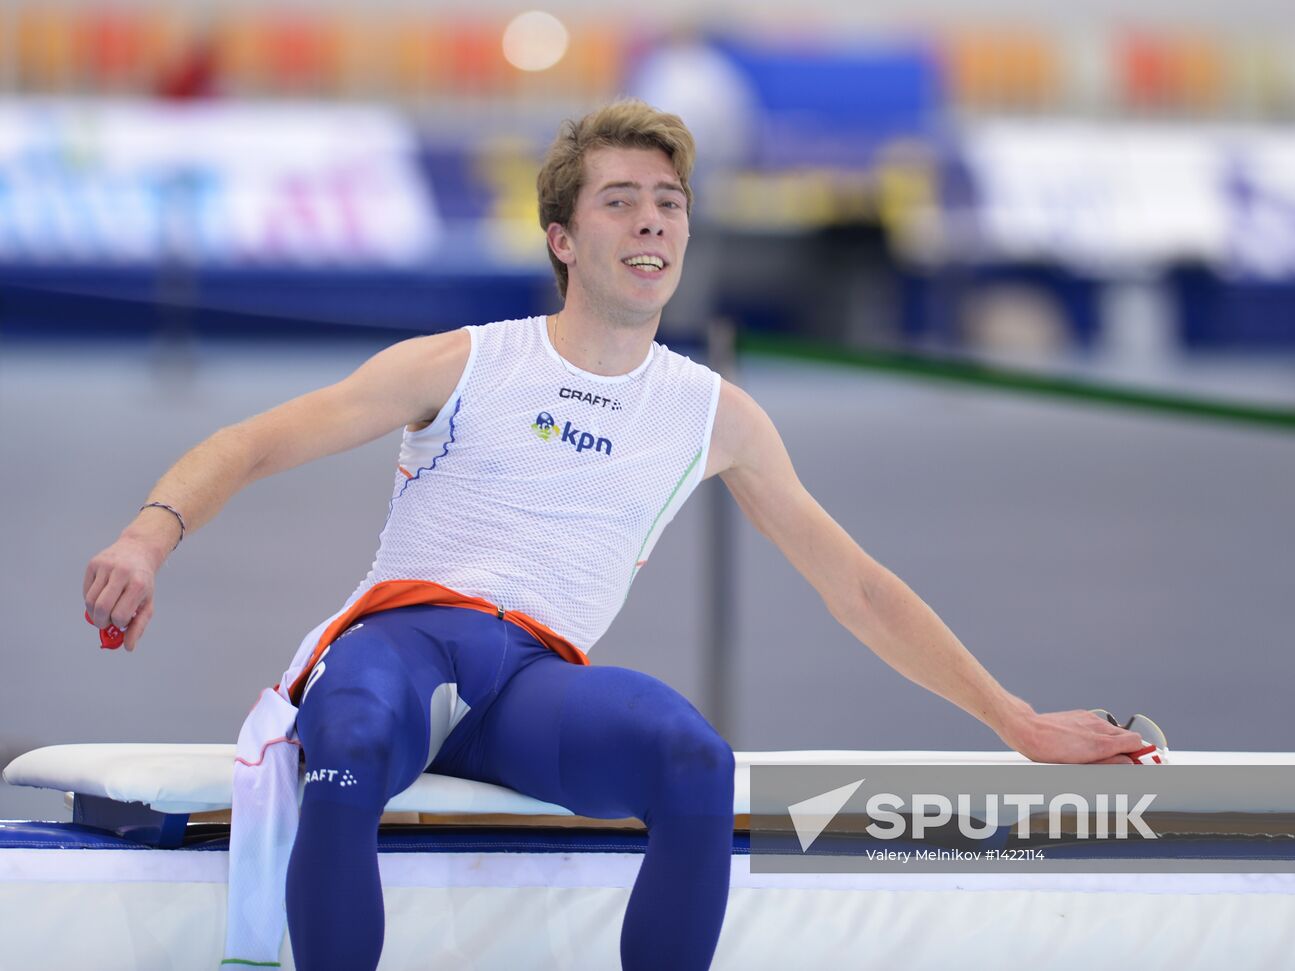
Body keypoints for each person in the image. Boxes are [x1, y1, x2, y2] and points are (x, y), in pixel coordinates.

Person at [82, 100, 1148, 971]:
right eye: (621, 201)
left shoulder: (712, 413)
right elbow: (252, 441)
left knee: (694, 757)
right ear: (562, 237)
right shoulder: (463, 362)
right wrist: (147, 537)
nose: (652, 223)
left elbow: (856, 587)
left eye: (670, 204)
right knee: (351, 734)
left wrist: (1013, 720)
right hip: (402, 644)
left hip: (531, 682)